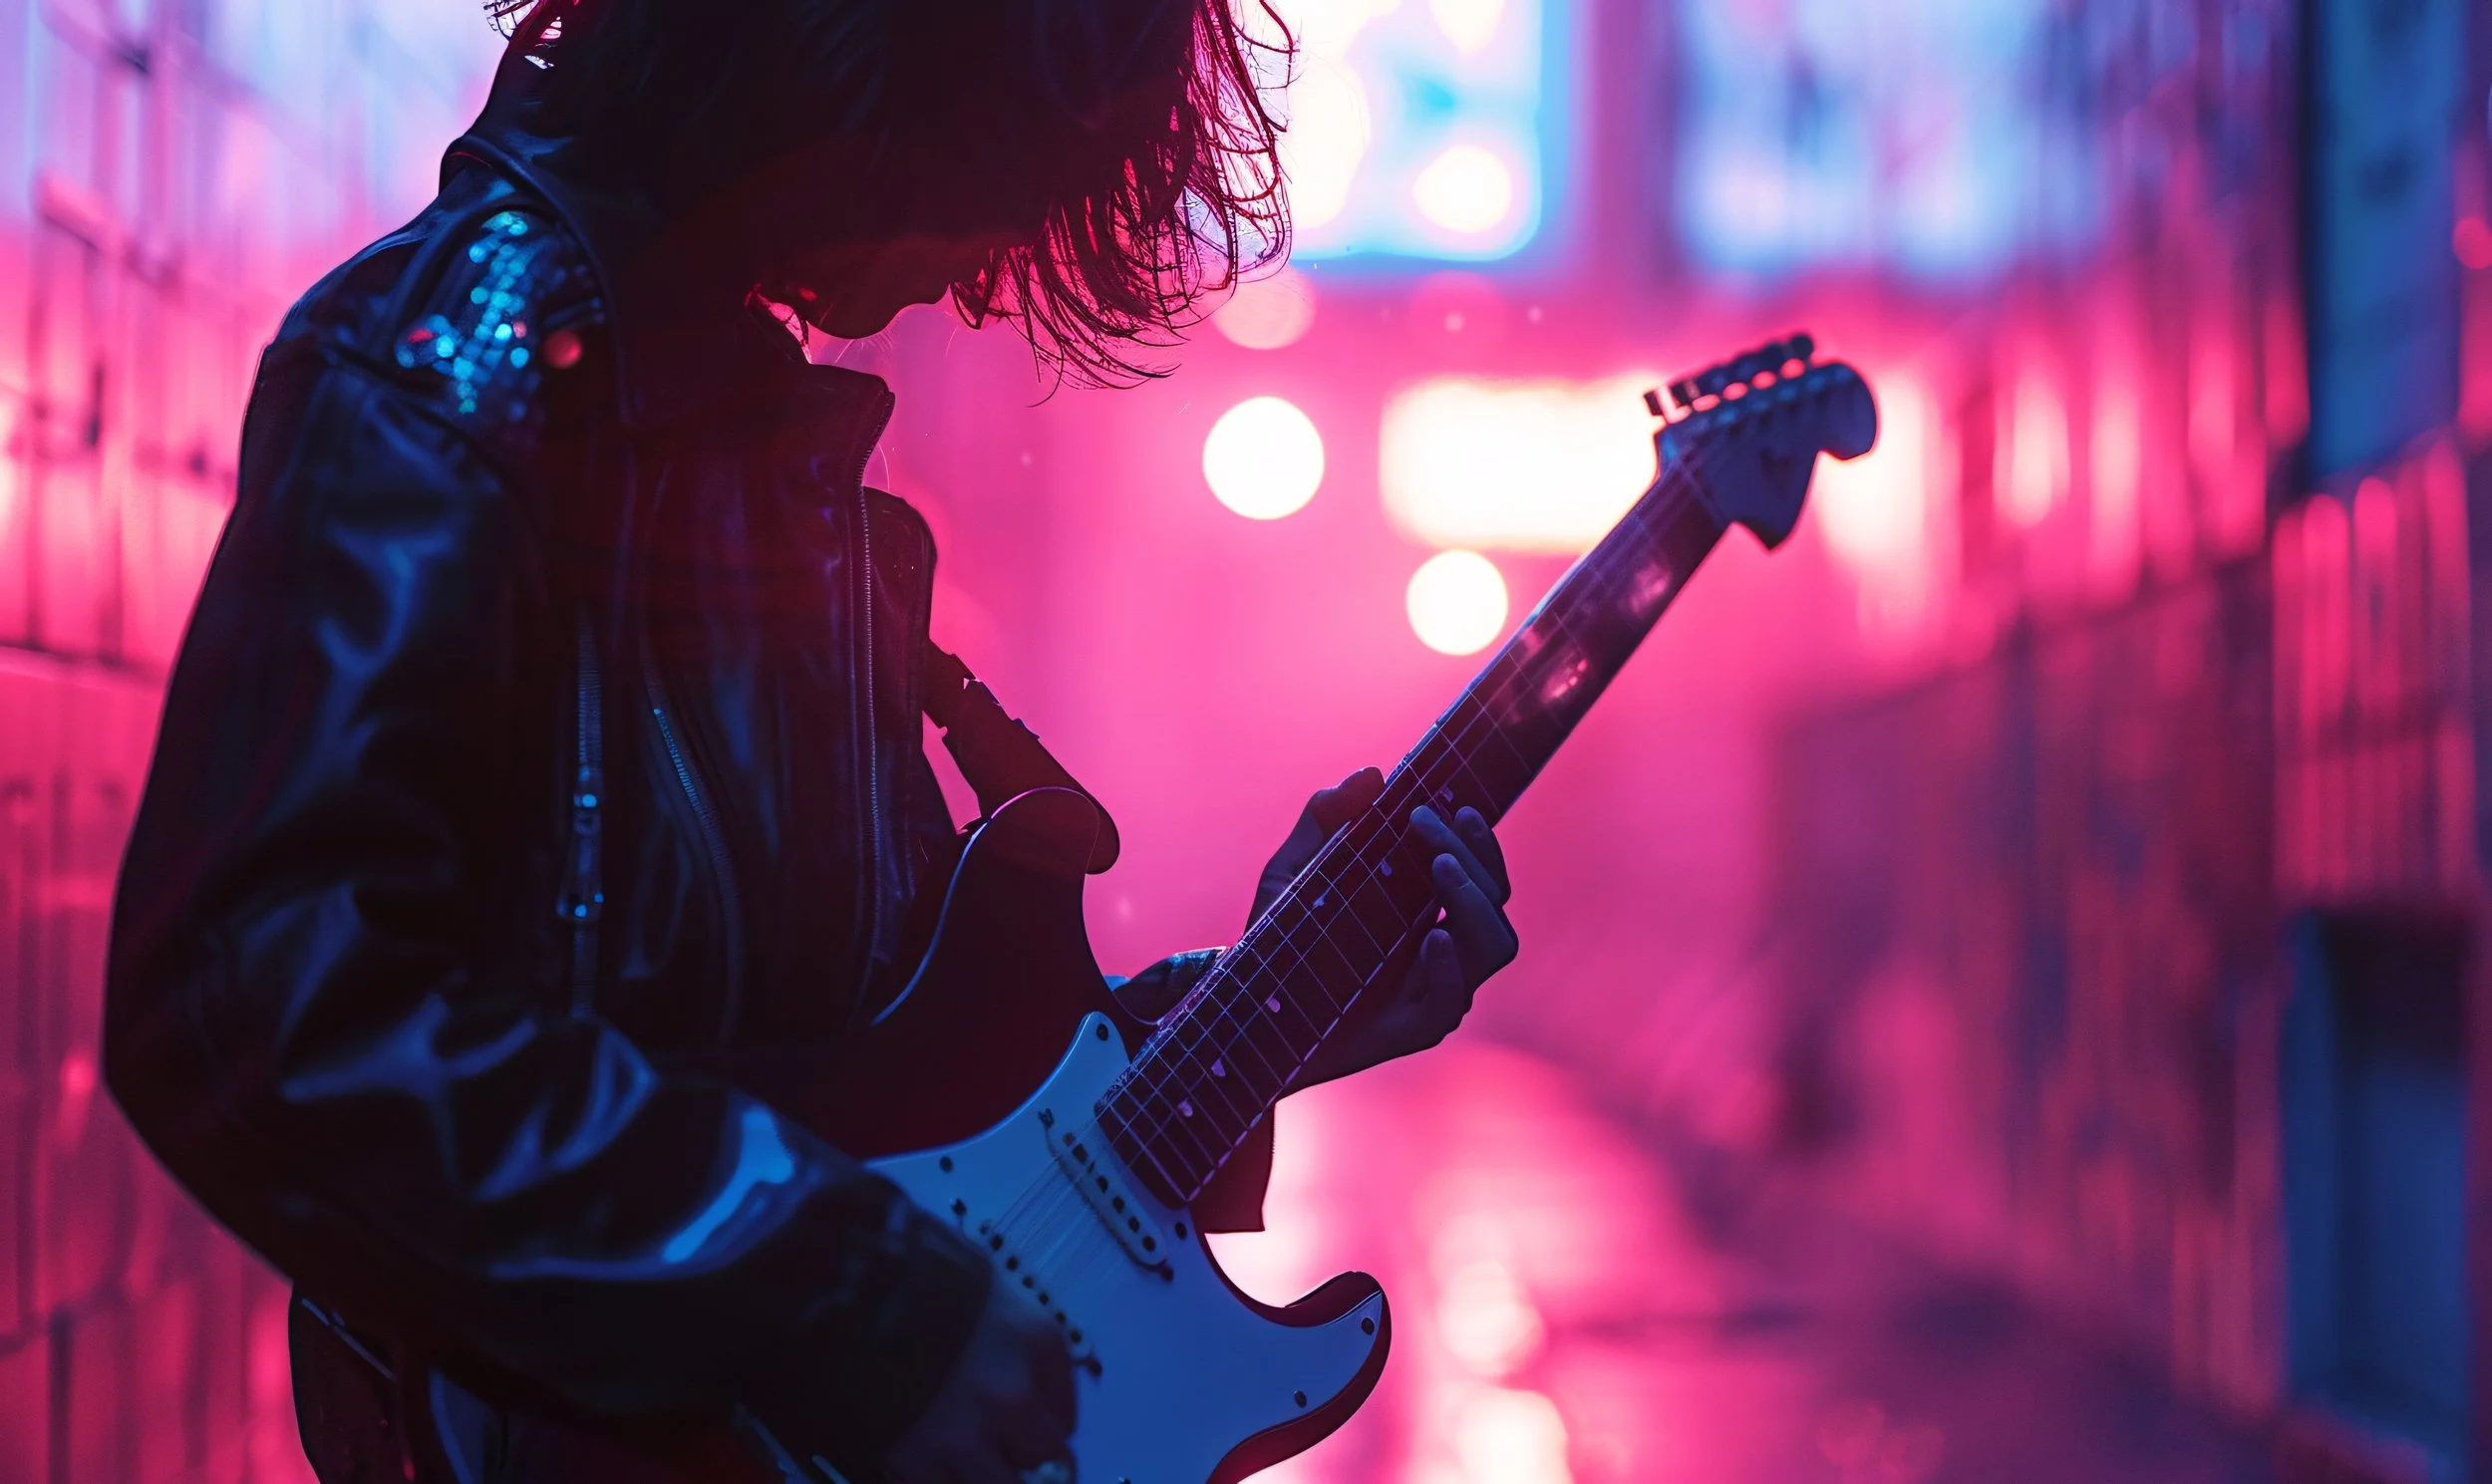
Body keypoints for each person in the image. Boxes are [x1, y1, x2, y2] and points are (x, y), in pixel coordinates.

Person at [102, 1, 1519, 1480]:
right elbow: (254, 991)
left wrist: (1254, 1020)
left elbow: (880, 1077)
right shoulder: (447, 371)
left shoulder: (755, 443)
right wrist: (827, 1292)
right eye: (999, 159)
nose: (984, 267)